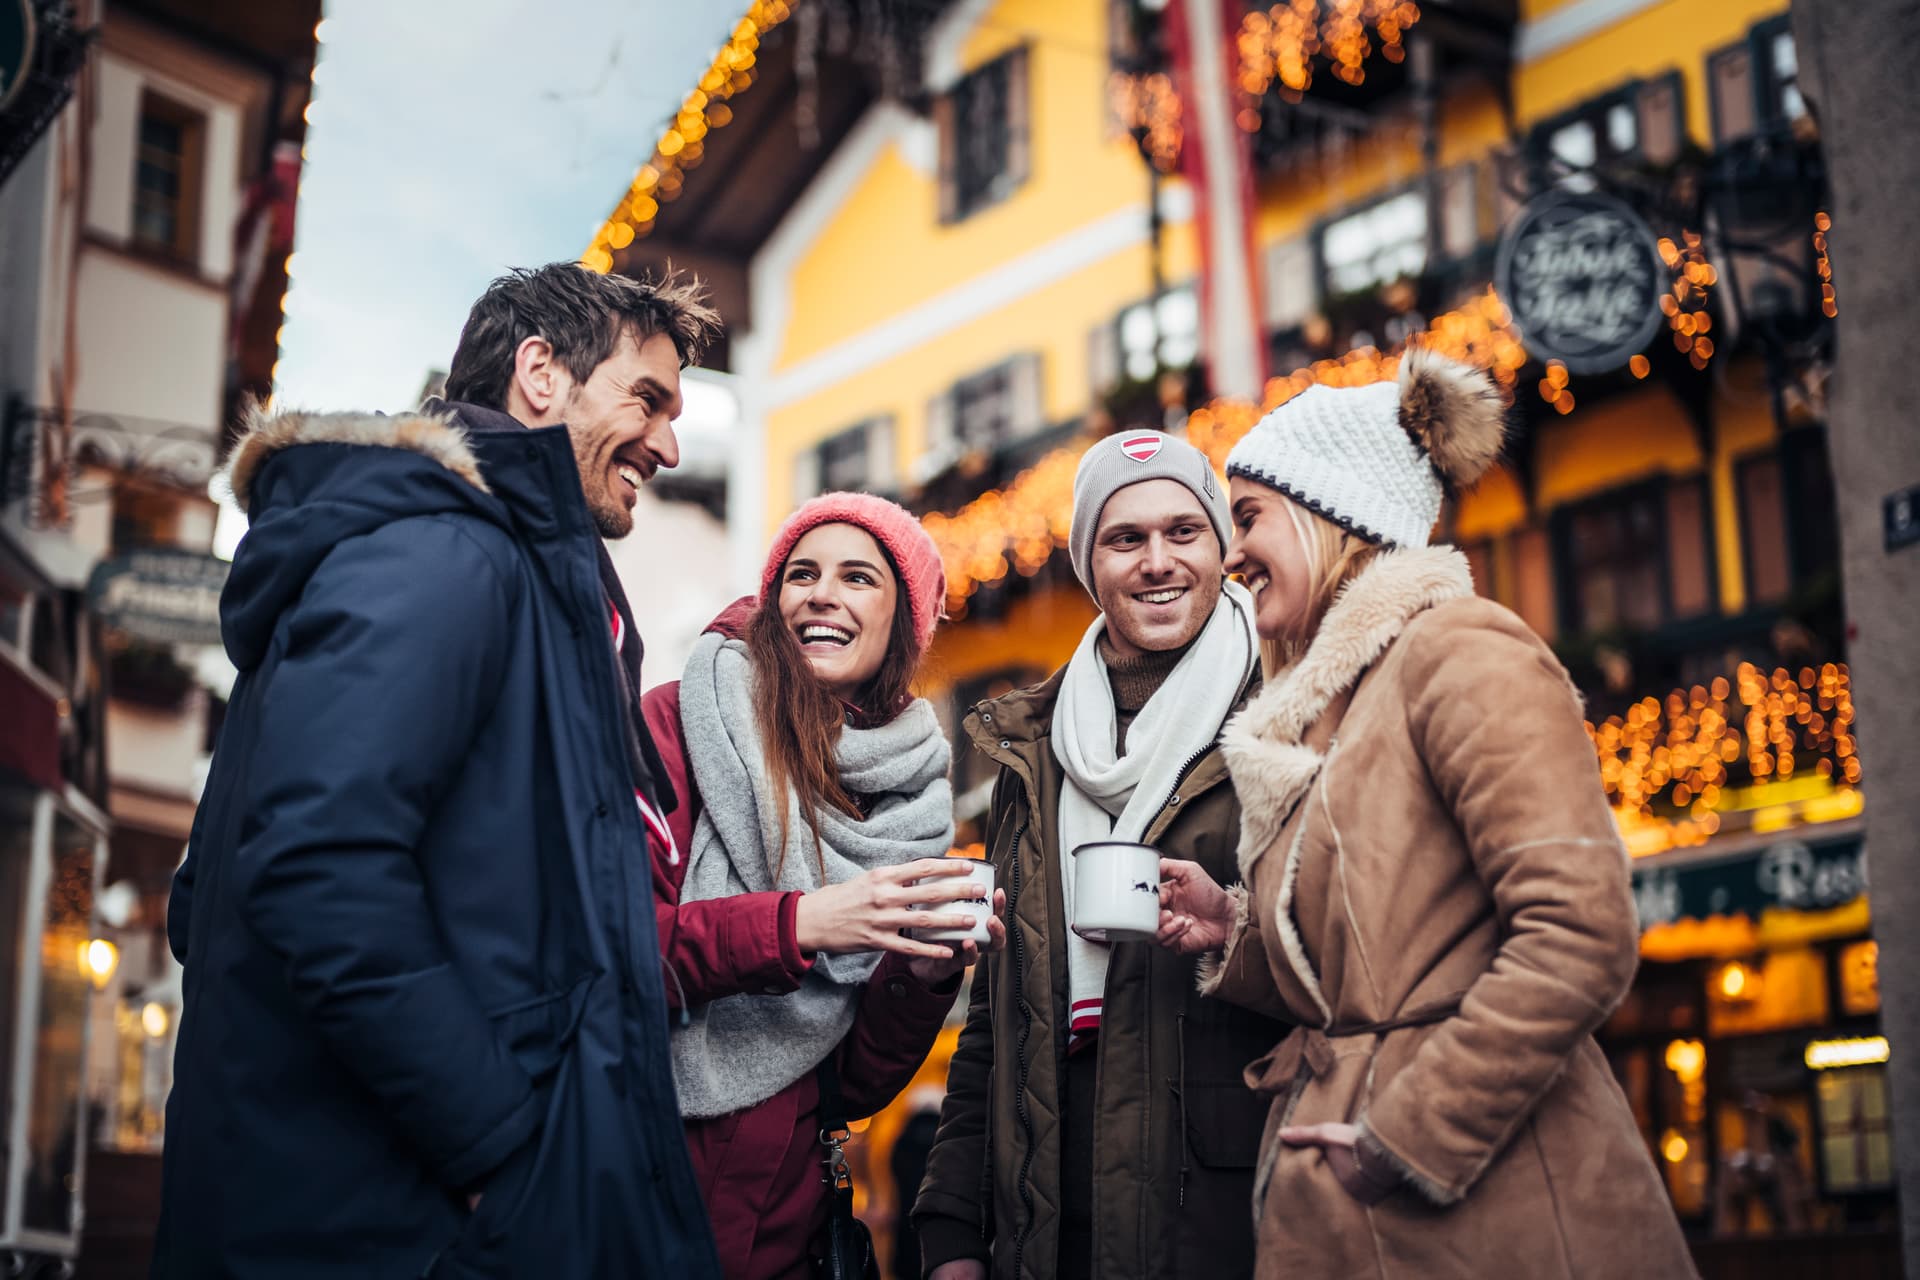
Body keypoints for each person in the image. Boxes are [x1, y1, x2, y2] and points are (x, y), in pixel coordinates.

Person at [156, 264, 725, 1277]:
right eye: (647, 397)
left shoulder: (505, 571)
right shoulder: (442, 557)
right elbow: (317, 869)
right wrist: (501, 1145)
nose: (670, 443)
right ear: (540, 373)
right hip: (376, 1222)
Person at [1156, 348, 1697, 1277]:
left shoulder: (1458, 650)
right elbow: (1380, 961)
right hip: (1378, 1223)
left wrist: (1403, 1136)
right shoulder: (1333, 711)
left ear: (1330, 510)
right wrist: (1235, 931)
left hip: (1497, 1209)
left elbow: (1581, 930)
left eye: (1249, 516)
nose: (1232, 552)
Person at [914, 432, 1289, 1280]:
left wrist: (1236, 928)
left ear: (1221, 548)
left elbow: (1360, 960)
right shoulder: (1034, 747)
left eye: (1183, 532)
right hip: (1053, 1222)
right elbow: (993, 1018)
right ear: (1090, 563)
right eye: (1126, 539)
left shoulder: (1286, 713)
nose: (1158, 561)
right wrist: (951, 1224)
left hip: (1231, 1225)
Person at [641, 493, 1006, 1279]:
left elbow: (851, 1082)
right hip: (636, 1199)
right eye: (800, 574)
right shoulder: (679, 720)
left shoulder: (909, 801)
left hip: (781, 1237)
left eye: (858, 577)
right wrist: (800, 923)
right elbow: (609, 948)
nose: (822, 594)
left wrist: (926, 968)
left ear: (904, 622)